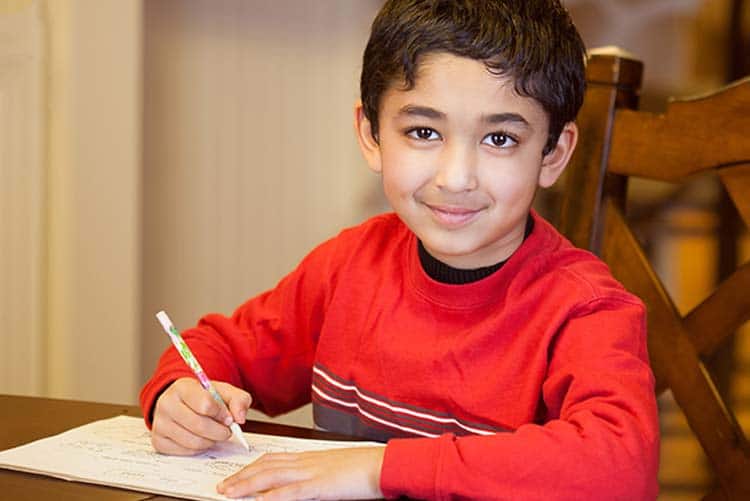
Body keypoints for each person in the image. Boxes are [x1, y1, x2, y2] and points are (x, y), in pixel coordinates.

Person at [140, 0, 660, 499]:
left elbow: (619, 467)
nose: (456, 178)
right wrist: (180, 396)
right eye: (423, 131)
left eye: (500, 139)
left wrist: (379, 469)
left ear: (552, 154)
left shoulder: (586, 310)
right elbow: (218, 351)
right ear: (370, 135)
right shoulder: (348, 268)